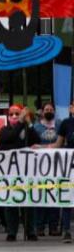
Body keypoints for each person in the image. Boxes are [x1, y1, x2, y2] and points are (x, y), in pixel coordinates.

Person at [0, 104, 40, 242]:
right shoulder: (4, 130)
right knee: (11, 203)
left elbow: (36, 140)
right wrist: (20, 122)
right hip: (10, 172)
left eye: (17, 113)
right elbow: (7, 139)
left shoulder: (27, 128)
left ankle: (30, 230)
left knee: (28, 203)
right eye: (11, 114)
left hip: (27, 172)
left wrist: (29, 123)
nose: (14, 116)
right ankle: (12, 231)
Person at [33, 101, 60, 237]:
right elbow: (32, 144)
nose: (49, 111)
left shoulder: (59, 125)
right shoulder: (36, 127)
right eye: (46, 109)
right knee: (41, 196)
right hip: (40, 167)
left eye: (51, 109)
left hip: (57, 166)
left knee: (55, 196)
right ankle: (40, 227)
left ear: (54, 111)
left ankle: (53, 226)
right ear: (42, 112)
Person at [53, 100, 74, 243]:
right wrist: (42, 148)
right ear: (71, 108)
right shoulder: (66, 123)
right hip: (69, 166)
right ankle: (66, 230)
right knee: (67, 197)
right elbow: (58, 144)